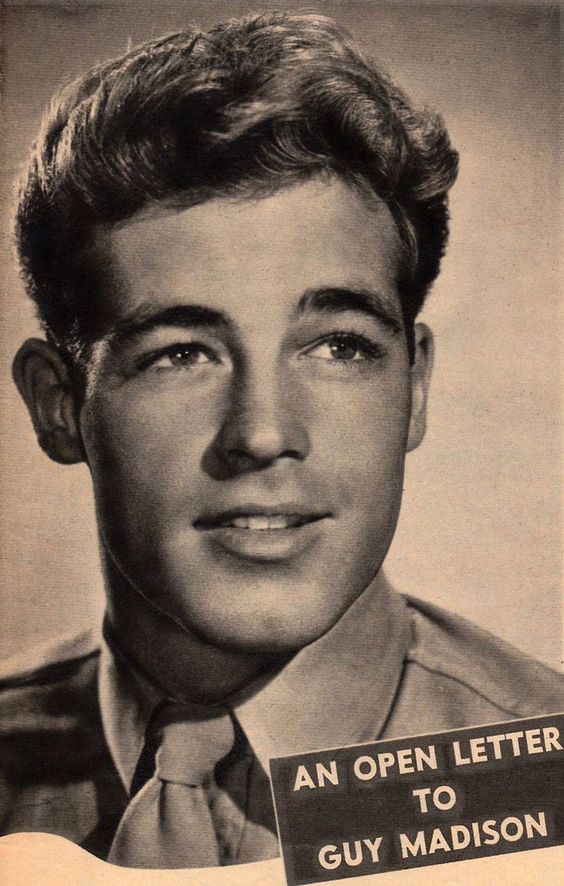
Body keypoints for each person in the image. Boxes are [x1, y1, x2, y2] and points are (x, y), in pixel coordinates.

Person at [1, 11, 562, 870]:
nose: (263, 435)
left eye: (339, 347)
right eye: (181, 353)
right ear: (59, 405)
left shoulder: (546, 781)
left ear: (411, 389)